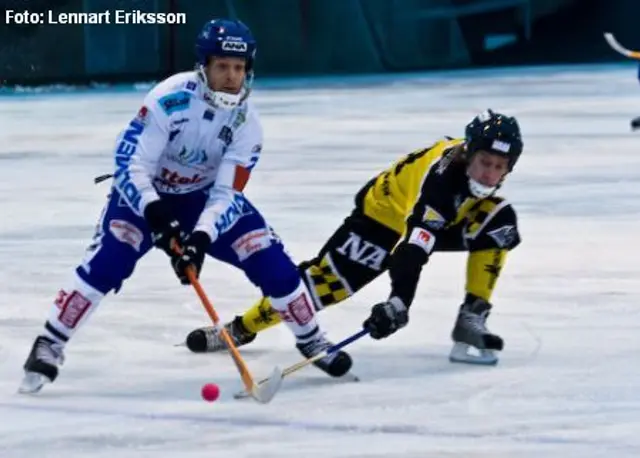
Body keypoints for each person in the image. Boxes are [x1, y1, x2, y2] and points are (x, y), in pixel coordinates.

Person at [19, 18, 352, 394]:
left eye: (239, 68)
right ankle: (50, 342)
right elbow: (131, 164)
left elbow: (227, 193)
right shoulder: (169, 99)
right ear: (204, 66)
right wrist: (156, 215)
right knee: (109, 263)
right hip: (143, 197)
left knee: (270, 260)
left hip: (203, 199)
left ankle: (311, 339)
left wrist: (201, 238)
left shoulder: (248, 125)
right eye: (222, 66)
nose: (231, 77)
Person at [185, 109, 523, 365]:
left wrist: (398, 303)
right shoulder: (441, 180)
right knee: (324, 287)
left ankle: (471, 318)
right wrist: (399, 302)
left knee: (499, 223)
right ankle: (241, 328)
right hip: (383, 217)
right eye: (484, 162)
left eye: (498, 167)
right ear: (468, 154)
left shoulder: (473, 181)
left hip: (428, 218)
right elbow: (411, 253)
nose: (489, 174)